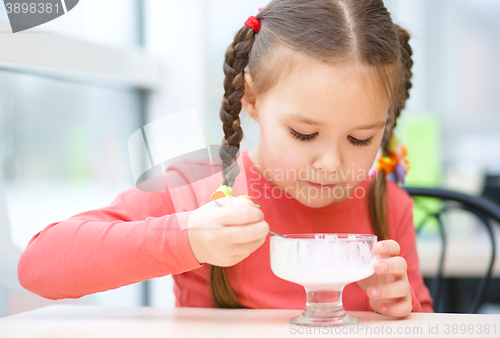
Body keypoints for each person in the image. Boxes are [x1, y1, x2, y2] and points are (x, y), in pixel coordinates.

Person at [17, 0, 434, 317]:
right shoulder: (199, 190)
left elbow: (426, 319)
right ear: (251, 99)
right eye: (304, 133)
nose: (331, 164)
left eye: (361, 138)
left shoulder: (387, 206)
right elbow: (38, 267)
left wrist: (400, 308)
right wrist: (187, 238)